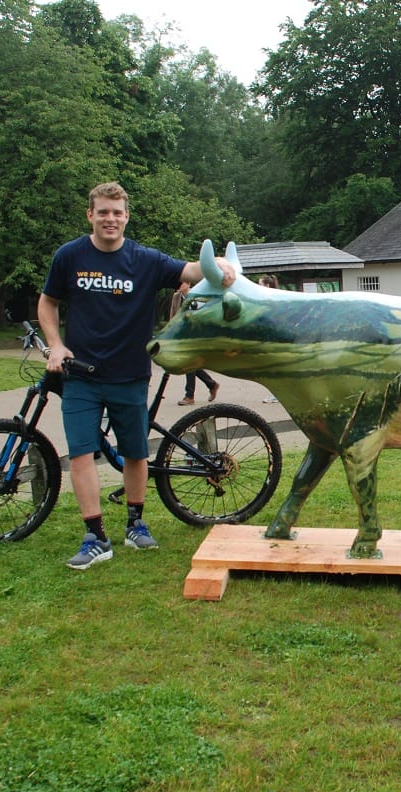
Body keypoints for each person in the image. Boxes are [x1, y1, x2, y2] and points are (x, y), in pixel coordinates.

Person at [38, 181, 236, 570]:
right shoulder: (69, 256)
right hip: (80, 376)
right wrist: (55, 344)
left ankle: (136, 523)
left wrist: (221, 267)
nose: (110, 219)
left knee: (134, 452)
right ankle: (95, 535)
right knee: (80, 454)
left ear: (126, 216)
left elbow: (191, 270)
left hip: (129, 375)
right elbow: (48, 301)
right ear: (90, 215)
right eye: (103, 212)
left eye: (117, 212)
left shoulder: (144, 259)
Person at [168, 281, 219, 406]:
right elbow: (172, 315)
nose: (179, 286)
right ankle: (211, 384)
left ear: (188, 284)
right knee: (190, 365)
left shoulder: (197, 296)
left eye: (182, 284)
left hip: (194, 336)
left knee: (188, 364)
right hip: (181, 336)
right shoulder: (176, 297)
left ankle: (189, 395)